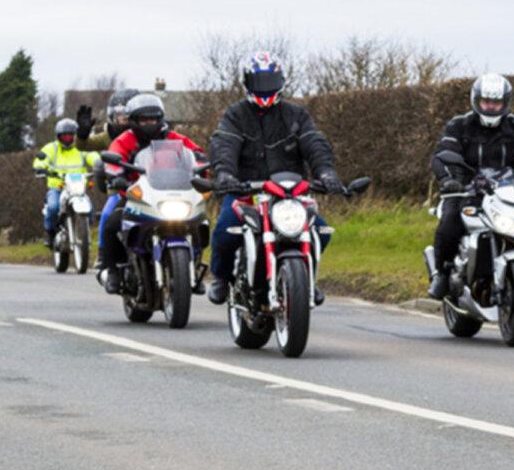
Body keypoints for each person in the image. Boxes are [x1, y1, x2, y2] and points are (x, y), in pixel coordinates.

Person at [206, 50, 344, 306]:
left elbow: (314, 143)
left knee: (321, 232)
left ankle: (306, 279)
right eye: (259, 83)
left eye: (270, 82)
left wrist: (326, 173)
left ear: (280, 82)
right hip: (245, 190)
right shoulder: (235, 115)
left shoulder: (296, 115)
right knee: (225, 230)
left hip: (289, 193)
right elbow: (224, 144)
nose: (265, 89)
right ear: (247, 83)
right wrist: (225, 174)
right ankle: (221, 278)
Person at [427, 73, 514, 299]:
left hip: (506, 188)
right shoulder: (459, 125)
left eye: (497, 102)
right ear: (476, 100)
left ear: (505, 102)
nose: (491, 107)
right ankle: (441, 274)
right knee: (450, 221)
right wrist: (448, 180)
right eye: (487, 102)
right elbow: (441, 156)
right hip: (466, 189)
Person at [98, 94, 203, 294]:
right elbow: (112, 160)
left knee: (200, 222)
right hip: (137, 195)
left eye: (153, 119)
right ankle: (112, 270)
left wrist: (201, 163)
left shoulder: (172, 137)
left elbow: (195, 153)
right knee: (112, 222)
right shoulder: (125, 140)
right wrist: (116, 176)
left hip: (172, 193)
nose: (150, 123)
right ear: (134, 121)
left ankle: (193, 267)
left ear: (160, 119)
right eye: (144, 120)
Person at [75, 89, 140, 267]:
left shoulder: (148, 132)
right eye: (121, 115)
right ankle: (103, 255)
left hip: (148, 188)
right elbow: (83, 145)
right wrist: (82, 133)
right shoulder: (109, 135)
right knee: (107, 213)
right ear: (112, 116)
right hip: (119, 188)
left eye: (128, 115)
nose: (125, 120)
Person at [32, 119, 101, 249]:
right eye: (64, 135)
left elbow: (92, 155)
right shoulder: (51, 148)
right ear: (58, 136)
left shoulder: (81, 147)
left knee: (90, 208)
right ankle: (51, 233)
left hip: (77, 187)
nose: (68, 138)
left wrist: (98, 164)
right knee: (53, 207)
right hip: (57, 187)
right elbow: (41, 158)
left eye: (71, 135)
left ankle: (84, 229)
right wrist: (40, 166)